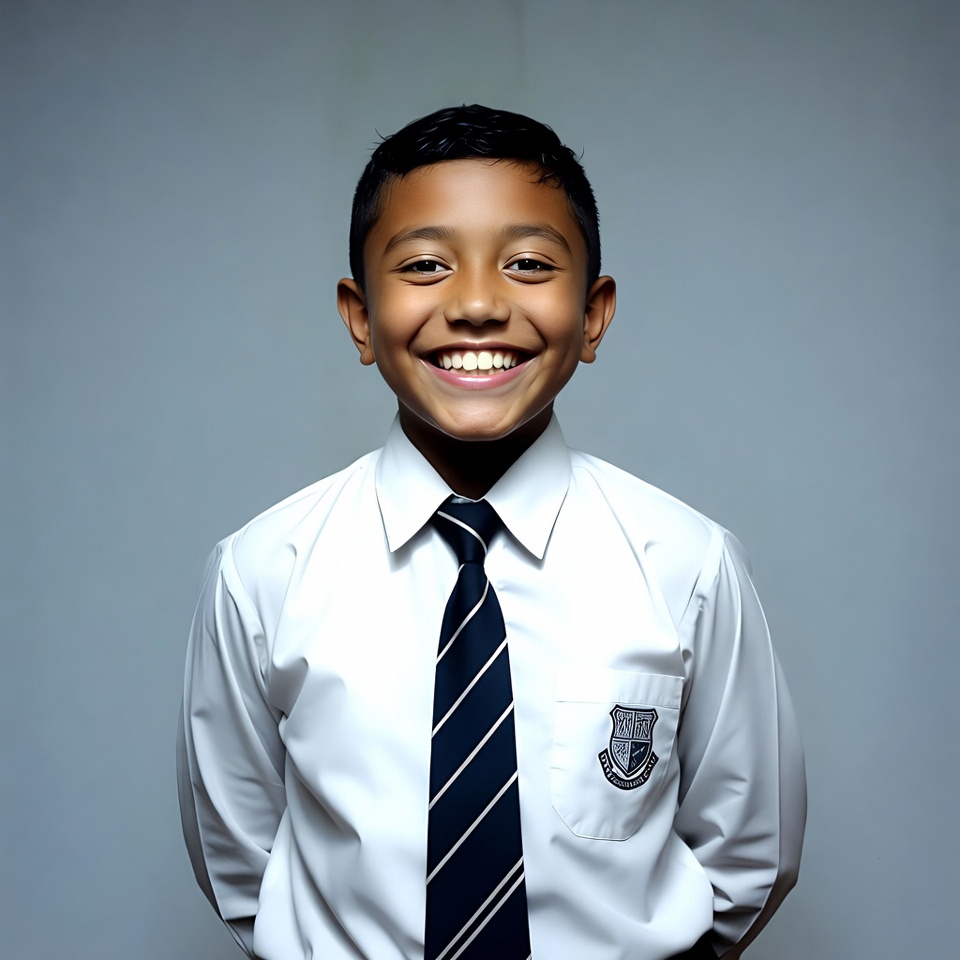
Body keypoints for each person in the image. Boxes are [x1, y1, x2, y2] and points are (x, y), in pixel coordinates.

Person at [177, 104, 806, 960]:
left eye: (529, 263)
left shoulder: (685, 564)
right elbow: (241, 858)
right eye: (427, 265)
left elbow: (749, 856)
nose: (476, 304)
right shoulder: (262, 571)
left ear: (593, 314)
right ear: (360, 317)